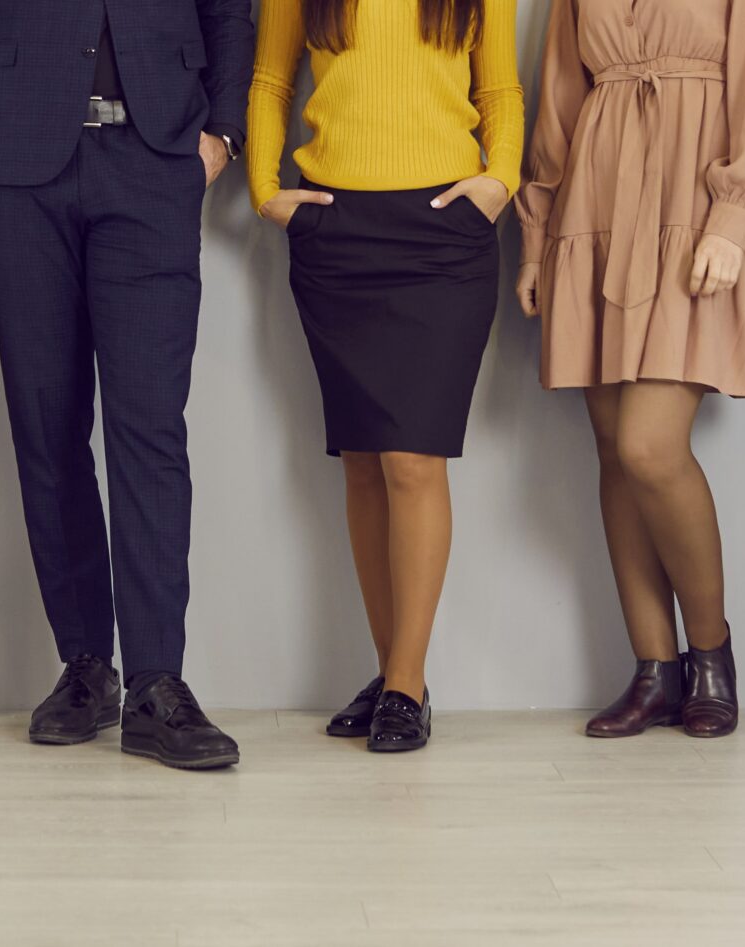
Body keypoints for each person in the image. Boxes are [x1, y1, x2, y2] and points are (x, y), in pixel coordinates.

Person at [0, 0, 254, 770]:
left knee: (148, 425)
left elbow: (230, 11)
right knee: (46, 423)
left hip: (155, 158)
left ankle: (157, 680)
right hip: (19, 157)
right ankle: (87, 664)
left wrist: (222, 132)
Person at [514, 0, 745, 740]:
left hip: (691, 204)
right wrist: (538, 235)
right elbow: (560, 95)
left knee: (648, 446)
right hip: (596, 200)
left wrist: (733, 217)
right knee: (612, 451)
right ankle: (653, 668)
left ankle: (710, 655)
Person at [250, 0, 522, 752]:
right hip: (336, 232)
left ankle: (405, 683)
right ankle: (395, 677)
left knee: (412, 459)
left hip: (443, 233)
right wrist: (266, 192)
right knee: (365, 463)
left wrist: (500, 179)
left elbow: (500, 89)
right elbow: (272, 77)